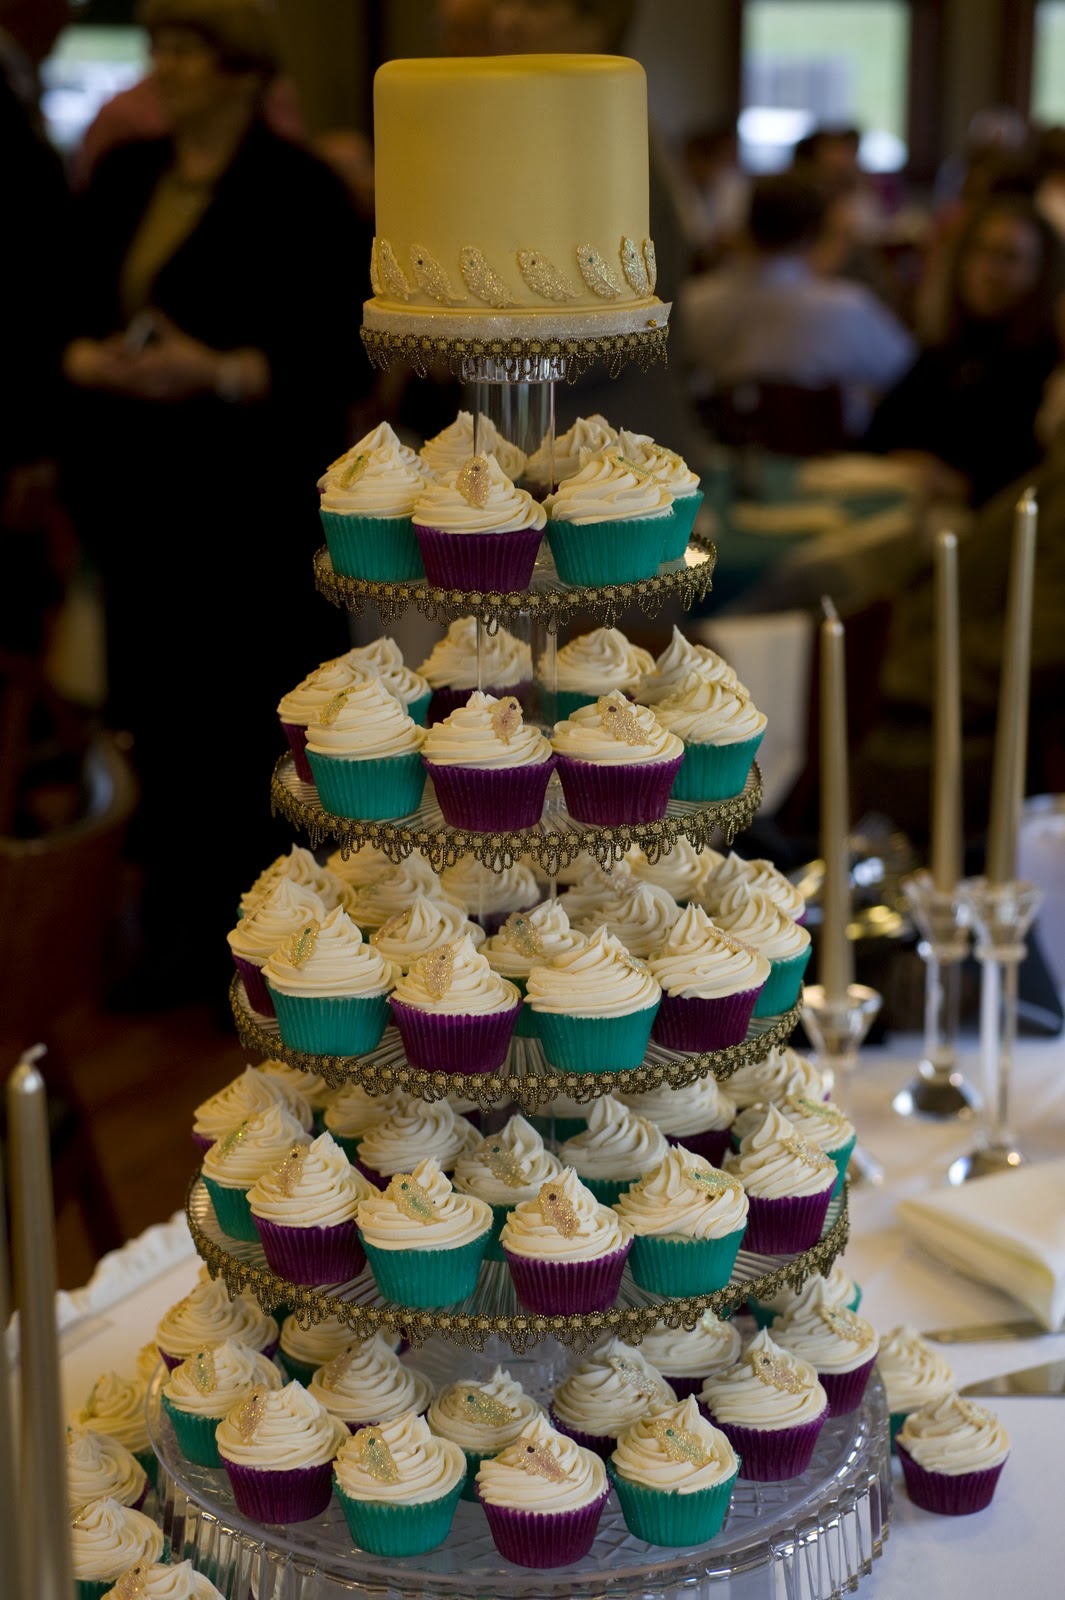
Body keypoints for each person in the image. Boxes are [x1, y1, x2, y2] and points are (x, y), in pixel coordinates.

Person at [59, 0, 369, 1008]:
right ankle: (173, 931)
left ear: (241, 70)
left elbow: (331, 355)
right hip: (142, 493)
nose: (167, 68)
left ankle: (260, 951)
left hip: (247, 503)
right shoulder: (123, 175)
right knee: (155, 712)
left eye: (187, 49)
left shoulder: (302, 189)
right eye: (159, 48)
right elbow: (62, 302)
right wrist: (89, 361)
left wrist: (222, 371)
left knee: (243, 717)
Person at [678, 171, 915, 442]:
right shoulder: (847, 308)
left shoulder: (695, 303)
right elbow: (908, 376)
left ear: (746, 229)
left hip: (728, 463)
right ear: (815, 233)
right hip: (834, 469)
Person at [863, 190, 1065, 507]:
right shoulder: (946, 350)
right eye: (979, 252)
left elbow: (1034, 478)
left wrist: (960, 485)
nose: (989, 269)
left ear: (1041, 272)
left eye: (1009, 257)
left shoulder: (1045, 364)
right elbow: (877, 436)